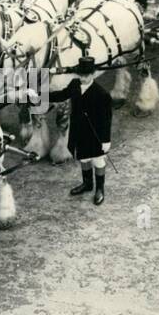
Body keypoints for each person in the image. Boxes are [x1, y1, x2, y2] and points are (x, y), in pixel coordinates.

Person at [47, 57, 112, 205]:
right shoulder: (75, 84)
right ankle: (87, 184)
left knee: (97, 160)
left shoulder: (102, 94)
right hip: (78, 129)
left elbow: (106, 120)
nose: (83, 78)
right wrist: (41, 96)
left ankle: (100, 189)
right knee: (83, 158)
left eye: (86, 75)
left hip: (95, 133)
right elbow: (61, 95)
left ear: (93, 74)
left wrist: (106, 140)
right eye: (80, 75)